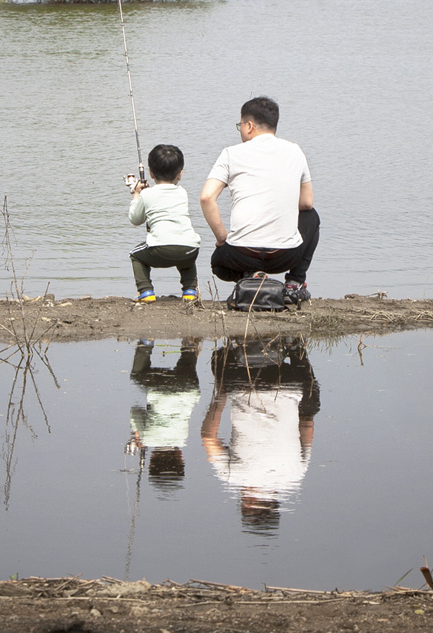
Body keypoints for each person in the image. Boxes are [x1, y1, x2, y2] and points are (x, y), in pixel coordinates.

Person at [201, 96, 319, 304]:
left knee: (218, 264)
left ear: (249, 126)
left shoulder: (231, 154)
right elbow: (307, 203)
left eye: (240, 125)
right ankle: (295, 282)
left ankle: (250, 276)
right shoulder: (295, 151)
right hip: (285, 256)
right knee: (311, 217)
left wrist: (222, 239)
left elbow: (207, 197)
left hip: (241, 255)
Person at [202, 337, 318, 533]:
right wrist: (221, 392)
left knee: (310, 407)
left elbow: (307, 425)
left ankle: (295, 348)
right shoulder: (233, 477)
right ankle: (231, 345)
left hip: (289, 381)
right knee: (218, 361)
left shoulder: (296, 475)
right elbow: (208, 437)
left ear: (274, 502)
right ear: (247, 502)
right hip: (242, 382)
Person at [126, 336, 202, 492]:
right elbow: (134, 411)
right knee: (137, 375)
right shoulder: (148, 439)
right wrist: (136, 433)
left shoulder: (182, 438)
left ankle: (190, 345)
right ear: (151, 461)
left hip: (189, 390)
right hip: (158, 388)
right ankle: (146, 343)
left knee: (186, 372)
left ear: (181, 458)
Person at [128, 143, 202, 302]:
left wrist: (136, 194)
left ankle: (145, 291)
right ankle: (190, 291)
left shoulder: (146, 194)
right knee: (185, 250)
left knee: (135, 254)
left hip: (160, 250)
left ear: (150, 173)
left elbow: (135, 219)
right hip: (191, 250)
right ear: (180, 174)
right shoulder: (182, 193)